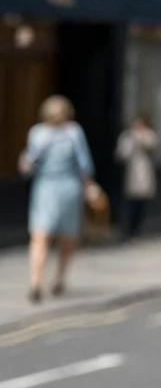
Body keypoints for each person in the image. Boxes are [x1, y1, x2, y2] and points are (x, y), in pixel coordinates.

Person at [19, 95, 95, 303]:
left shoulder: (47, 133)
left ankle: (46, 280)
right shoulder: (68, 132)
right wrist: (89, 186)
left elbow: (30, 161)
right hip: (58, 187)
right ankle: (46, 281)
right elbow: (84, 163)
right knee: (54, 236)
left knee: (50, 236)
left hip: (54, 187)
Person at [115, 114, 158, 241]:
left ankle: (137, 230)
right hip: (131, 173)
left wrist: (141, 137)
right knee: (130, 203)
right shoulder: (127, 136)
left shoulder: (148, 135)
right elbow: (121, 154)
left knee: (141, 204)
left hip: (144, 172)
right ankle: (128, 230)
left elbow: (152, 147)